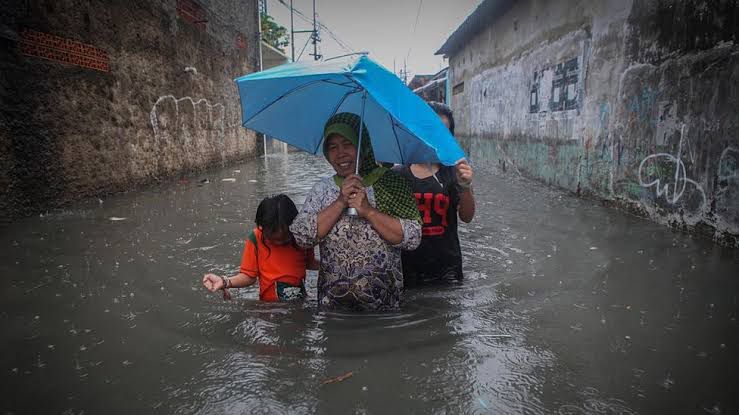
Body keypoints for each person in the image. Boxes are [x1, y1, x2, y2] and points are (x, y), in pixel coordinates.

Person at [289, 112, 422, 311]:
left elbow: (413, 238)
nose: (340, 153)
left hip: (384, 308)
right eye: (332, 147)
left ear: (363, 146)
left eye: (348, 144)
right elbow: (302, 237)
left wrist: (369, 211)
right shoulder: (322, 189)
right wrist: (340, 201)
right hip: (333, 308)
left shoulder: (390, 183)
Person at [394, 102, 475, 286]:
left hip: (447, 270)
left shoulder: (455, 172)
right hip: (407, 268)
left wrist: (465, 186)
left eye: (442, 132)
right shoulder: (398, 175)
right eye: (429, 130)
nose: (434, 137)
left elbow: (467, 216)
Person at [202, 194, 318, 302]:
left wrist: (334, 267)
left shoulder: (302, 237)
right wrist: (225, 282)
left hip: (299, 304)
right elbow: (248, 276)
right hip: (268, 307)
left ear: (294, 226)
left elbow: (310, 263)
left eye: (285, 238)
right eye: (273, 239)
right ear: (261, 227)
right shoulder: (256, 238)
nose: (279, 242)